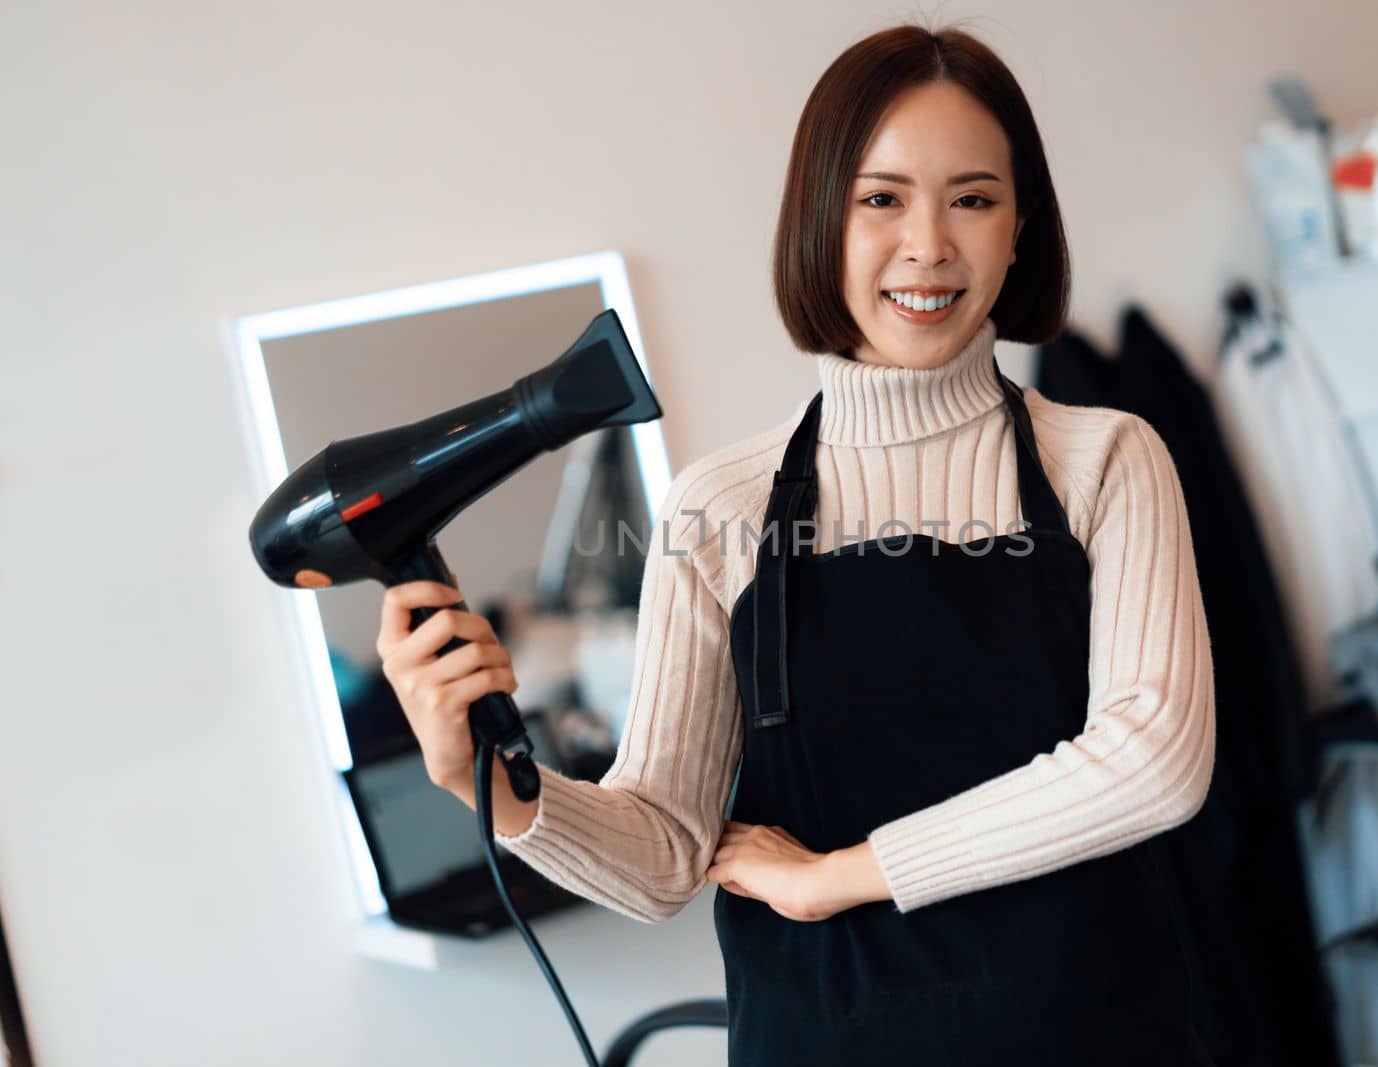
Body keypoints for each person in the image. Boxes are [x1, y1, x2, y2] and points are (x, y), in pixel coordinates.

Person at [375, 20, 1216, 1066]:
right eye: (881, 198)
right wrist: (480, 780)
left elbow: (1153, 763)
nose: (929, 244)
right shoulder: (715, 506)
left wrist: (838, 873)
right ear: (821, 220)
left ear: (1017, 228)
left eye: (973, 198)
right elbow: (665, 855)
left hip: (1091, 1036)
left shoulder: (1105, 458)